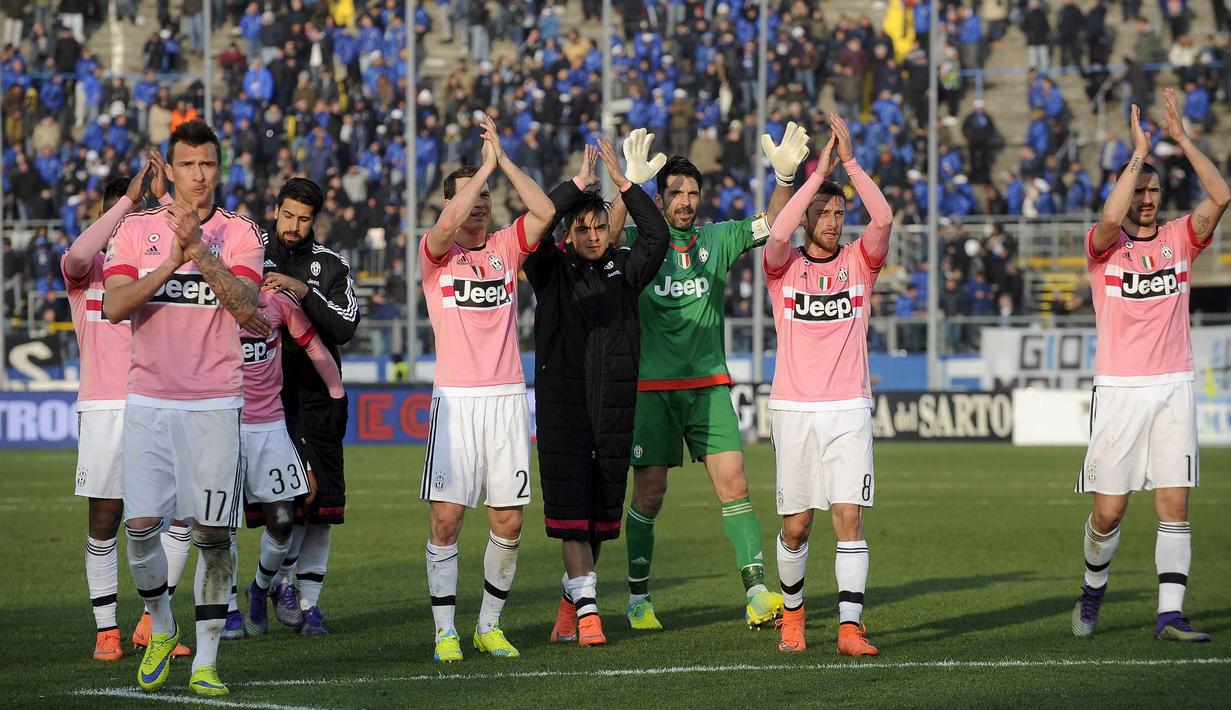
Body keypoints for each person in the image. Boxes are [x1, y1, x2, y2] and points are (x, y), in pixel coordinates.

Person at [608, 122, 811, 630]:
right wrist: (625, 189)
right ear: (659, 198)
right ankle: (638, 597)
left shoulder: (716, 239)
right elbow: (599, 238)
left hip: (708, 385)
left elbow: (774, 223)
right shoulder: (635, 238)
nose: (686, 201)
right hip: (652, 389)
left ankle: (757, 591)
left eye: (693, 193)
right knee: (649, 494)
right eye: (676, 193)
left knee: (735, 484)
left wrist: (784, 178)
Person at [102, 119, 266, 697]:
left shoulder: (241, 233)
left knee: (214, 536)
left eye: (209, 165)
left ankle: (207, 661)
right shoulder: (134, 230)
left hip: (215, 402)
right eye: (188, 165)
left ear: (219, 170)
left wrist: (202, 252)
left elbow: (249, 309)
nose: (199, 175)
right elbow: (114, 306)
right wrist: (173, 260)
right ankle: (164, 625)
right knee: (141, 529)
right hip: (149, 400)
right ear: (168, 170)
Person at [1072, 90, 1228, 643]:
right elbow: (1109, 217)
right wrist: (1137, 154)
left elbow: (1221, 194)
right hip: (1119, 390)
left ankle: (1170, 616)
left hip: (1173, 385)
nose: (1146, 198)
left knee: (1174, 503)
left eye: (1153, 190)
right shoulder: (1104, 249)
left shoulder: (1180, 240)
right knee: (1109, 513)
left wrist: (1182, 140)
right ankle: (1093, 589)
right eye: (1139, 189)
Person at [419, 114, 556, 663]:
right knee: (447, 519)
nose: (479, 203)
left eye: (485, 195)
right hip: (455, 403)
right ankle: (444, 631)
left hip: (505, 399)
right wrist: (477, 175)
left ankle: (488, 625)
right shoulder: (436, 255)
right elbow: (448, 222)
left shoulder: (507, 246)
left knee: (509, 520)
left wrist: (501, 161)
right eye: (469, 195)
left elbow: (545, 211)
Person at [527, 133, 671, 648]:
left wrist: (626, 186)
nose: (592, 236)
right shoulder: (550, 270)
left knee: (599, 521)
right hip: (563, 409)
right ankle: (590, 615)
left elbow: (658, 239)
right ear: (569, 232)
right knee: (571, 520)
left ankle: (572, 607)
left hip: (613, 407)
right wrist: (579, 185)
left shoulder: (625, 268)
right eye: (582, 228)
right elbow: (533, 229)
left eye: (598, 227)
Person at [763, 114, 892, 656]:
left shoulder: (861, 264)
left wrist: (851, 164)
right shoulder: (782, 266)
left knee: (848, 517)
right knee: (795, 527)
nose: (835, 221)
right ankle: (792, 615)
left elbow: (882, 217)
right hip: (794, 409)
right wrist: (815, 177)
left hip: (848, 409)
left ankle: (848, 627)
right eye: (825, 212)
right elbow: (774, 231)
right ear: (807, 215)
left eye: (840, 213)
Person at [63, 159, 192, 662]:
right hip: (106, 407)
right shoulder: (85, 273)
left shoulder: (155, 267)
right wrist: (125, 203)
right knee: (105, 517)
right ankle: (105, 631)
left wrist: (156, 204)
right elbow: (77, 251)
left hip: (160, 399)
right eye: (117, 216)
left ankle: (152, 623)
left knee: (180, 515)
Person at [258, 177, 361, 636]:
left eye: (304, 218)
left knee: (324, 511)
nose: (295, 226)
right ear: (275, 209)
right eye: (288, 215)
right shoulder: (248, 250)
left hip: (320, 399)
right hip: (265, 396)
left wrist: (301, 289)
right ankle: (268, 586)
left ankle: (308, 604)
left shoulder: (331, 266)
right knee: (281, 503)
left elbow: (344, 327)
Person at [236, 286, 346, 638]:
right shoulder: (210, 304)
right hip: (221, 421)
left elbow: (314, 345)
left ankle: (261, 587)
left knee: (284, 519)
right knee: (216, 526)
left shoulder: (277, 303)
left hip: (270, 425)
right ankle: (225, 613)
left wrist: (337, 393)